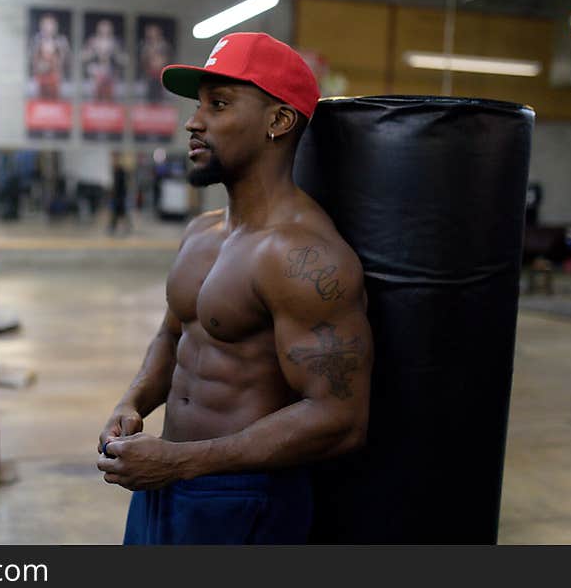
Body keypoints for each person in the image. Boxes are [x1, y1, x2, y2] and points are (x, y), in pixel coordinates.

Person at [97, 32, 374, 544]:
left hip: (243, 498)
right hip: (165, 481)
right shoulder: (201, 231)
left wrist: (181, 463)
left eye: (219, 104)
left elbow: (339, 418)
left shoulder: (301, 257)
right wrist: (133, 401)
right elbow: (172, 336)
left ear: (279, 121)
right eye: (198, 105)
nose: (193, 121)